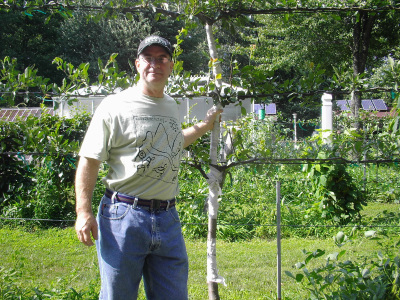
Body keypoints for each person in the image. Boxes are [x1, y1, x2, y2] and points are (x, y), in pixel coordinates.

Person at [74, 35, 222, 300]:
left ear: (171, 65)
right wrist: (83, 211)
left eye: (162, 58)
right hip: (123, 216)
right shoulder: (114, 106)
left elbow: (172, 141)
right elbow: (90, 159)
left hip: (167, 218)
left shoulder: (171, 105)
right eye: (148, 58)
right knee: (117, 296)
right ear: (137, 64)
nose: (155, 64)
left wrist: (205, 126)